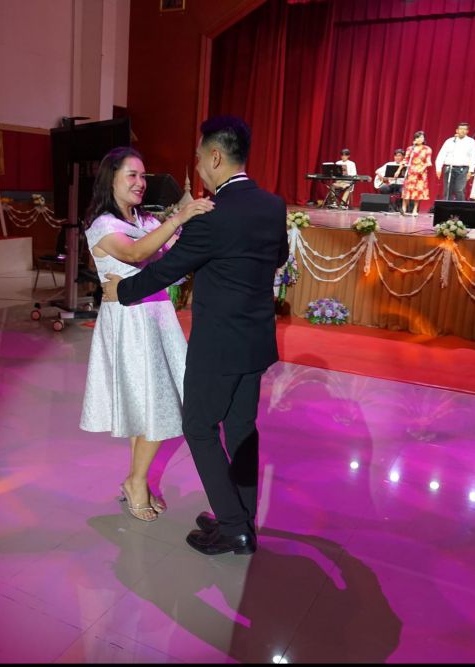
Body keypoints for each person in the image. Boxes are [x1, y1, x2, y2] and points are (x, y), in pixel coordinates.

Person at [101, 115, 288, 555]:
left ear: (216, 157)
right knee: (241, 429)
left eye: (201, 157)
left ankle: (233, 527)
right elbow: (278, 256)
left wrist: (121, 290)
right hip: (256, 340)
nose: (199, 166)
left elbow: (167, 270)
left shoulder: (212, 215)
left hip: (218, 344)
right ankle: (242, 519)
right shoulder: (272, 205)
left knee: (199, 427)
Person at [79, 146, 215, 522]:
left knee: (150, 405)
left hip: (157, 317)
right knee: (159, 405)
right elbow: (136, 253)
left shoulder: (146, 220)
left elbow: (173, 259)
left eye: (143, 176)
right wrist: (179, 217)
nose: (141, 182)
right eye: (132, 175)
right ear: (111, 179)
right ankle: (137, 482)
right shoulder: (103, 225)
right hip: (131, 323)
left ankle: (136, 480)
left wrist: (191, 231)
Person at [434, 122, 475, 201]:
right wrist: (438, 168)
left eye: (465, 129)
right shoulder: (450, 141)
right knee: (448, 189)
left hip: (463, 169)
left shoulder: (471, 141)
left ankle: (460, 207)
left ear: (467, 131)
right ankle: (447, 207)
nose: (462, 131)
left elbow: (474, 156)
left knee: (459, 189)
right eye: (461, 129)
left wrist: (471, 170)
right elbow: (442, 154)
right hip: (449, 168)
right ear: (457, 130)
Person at [400, 131, 432, 216]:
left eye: (422, 137)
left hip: (420, 172)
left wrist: (422, 168)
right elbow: (406, 159)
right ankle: (404, 208)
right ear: (415, 139)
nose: (420, 139)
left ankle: (415, 209)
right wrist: (399, 169)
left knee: (418, 191)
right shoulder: (410, 148)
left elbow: (428, 162)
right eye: (418, 137)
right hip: (410, 171)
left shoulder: (427, 149)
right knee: (407, 190)